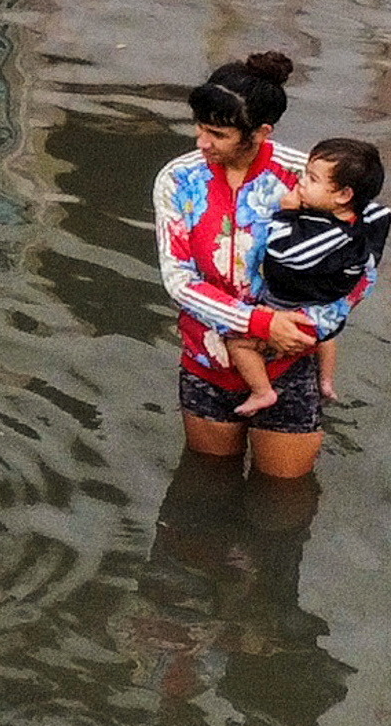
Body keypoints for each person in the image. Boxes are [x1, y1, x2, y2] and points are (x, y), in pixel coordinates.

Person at [152, 54, 372, 479]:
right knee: (206, 491)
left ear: (261, 132)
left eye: (217, 133)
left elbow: (360, 266)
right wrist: (258, 323)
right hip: (207, 362)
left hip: (289, 359)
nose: (201, 142)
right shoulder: (177, 180)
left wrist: (307, 326)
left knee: (284, 504)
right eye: (199, 127)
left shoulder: (304, 177)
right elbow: (179, 279)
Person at [226, 137, 388, 417]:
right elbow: (381, 213)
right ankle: (325, 381)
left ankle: (262, 391)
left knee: (236, 341)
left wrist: (287, 215)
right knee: (327, 337)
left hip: (297, 309)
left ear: (343, 195)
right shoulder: (360, 218)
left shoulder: (331, 237)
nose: (300, 182)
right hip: (326, 304)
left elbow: (283, 252)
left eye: (311, 179)